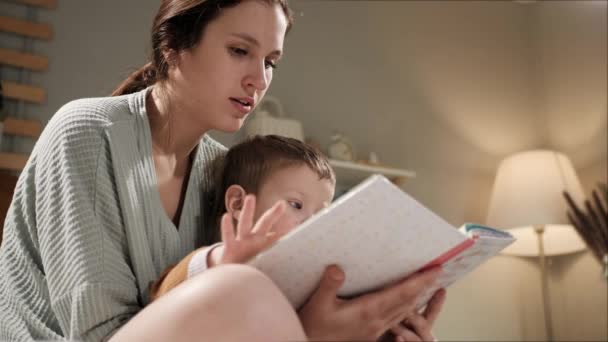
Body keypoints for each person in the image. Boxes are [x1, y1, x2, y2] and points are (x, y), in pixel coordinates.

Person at [0, 1, 445, 341]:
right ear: (174, 46)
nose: (259, 78)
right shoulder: (86, 133)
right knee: (242, 288)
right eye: (239, 51)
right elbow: (99, 333)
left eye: (270, 61)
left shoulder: (223, 171)